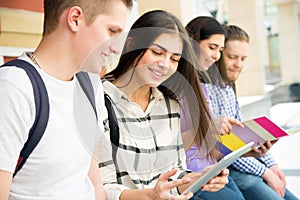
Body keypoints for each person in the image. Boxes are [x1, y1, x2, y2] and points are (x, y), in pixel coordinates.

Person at [0, 0, 133, 199]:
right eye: (112, 31)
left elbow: (94, 182)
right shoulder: (14, 87)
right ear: (75, 19)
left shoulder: (90, 85)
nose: (116, 48)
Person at [96, 10, 229, 200]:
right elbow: (101, 187)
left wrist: (200, 178)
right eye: (157, 52)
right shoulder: (100, 99)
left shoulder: (169, 105)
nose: (165, 64)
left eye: (174, 59)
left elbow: (174, 175)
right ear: (132, 44)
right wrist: (150, 195)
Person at [208, 24, 298, 200]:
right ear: (218, 55)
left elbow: (242, 135)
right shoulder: (207, 90)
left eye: (243, 58)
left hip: (247, 163)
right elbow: (225, 148)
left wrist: (271, 165)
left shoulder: (228, 87)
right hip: (232, 170)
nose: (238, 65)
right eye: (232, 57)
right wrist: (266, 172)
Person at [183, 16, 246, 200]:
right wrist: (208, 129)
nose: (216, 56)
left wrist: (248, 149)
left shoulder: (201, 85)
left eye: (219, 50)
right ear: (192, 42)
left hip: (213, 167)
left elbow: (209, 143)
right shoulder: (175, 87)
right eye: (212, 47)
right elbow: (173, 145)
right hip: (192, 173)